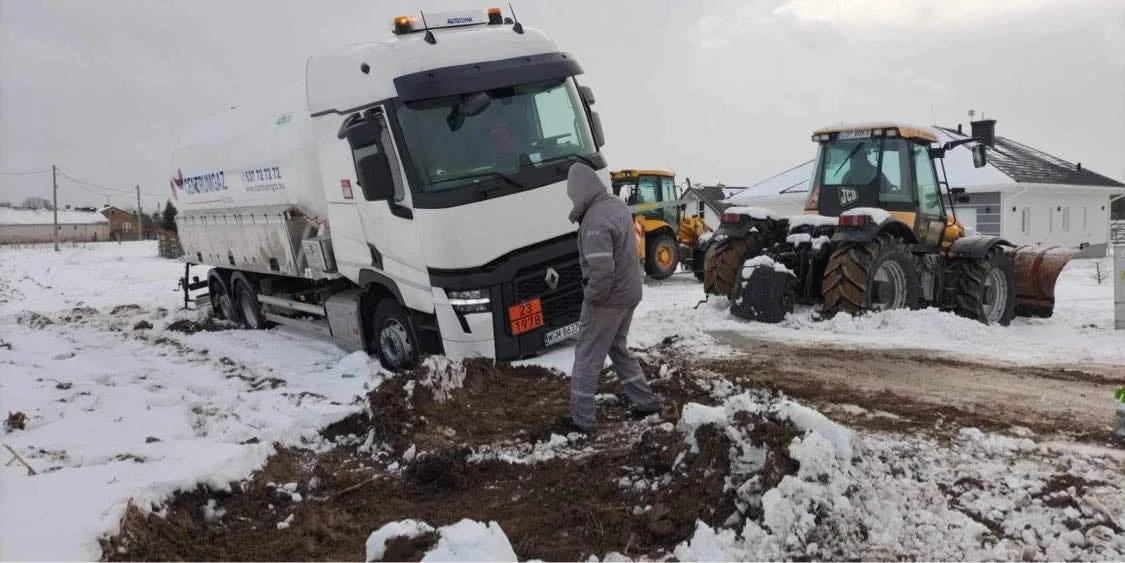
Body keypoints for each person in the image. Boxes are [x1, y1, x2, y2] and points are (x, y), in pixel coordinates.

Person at [557, 163, 663, 436]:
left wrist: (592, 301)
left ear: (581, 190)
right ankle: (646, 402)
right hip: (630, 293)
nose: (572, 200)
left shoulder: (594, 221)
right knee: (617, 347)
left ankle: (582, 420)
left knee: (587, 355)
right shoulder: (615, 205)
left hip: (609, 299)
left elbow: (601, 272)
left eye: (572, 194)